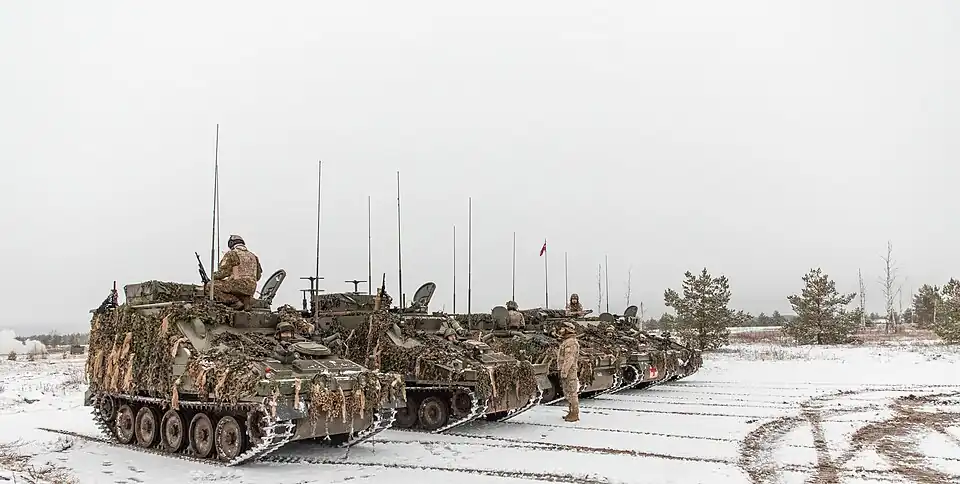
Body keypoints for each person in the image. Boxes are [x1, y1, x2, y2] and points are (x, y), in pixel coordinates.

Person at [207, 234, 263, 310]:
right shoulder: (253, 256)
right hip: (251, 288)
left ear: (231, 244)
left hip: (238, 285)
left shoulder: (232, 253)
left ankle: (235, 302)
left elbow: (223, 272)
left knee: (211, 285)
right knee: (231, 286)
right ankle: (245, 300)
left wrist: (213, 276)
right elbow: (258, 276)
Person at [556, 321, 580, 422]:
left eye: (563, 328)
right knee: (568, 392)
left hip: (569, 371)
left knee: (572, 392)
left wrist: (564, 372)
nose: (560, 331)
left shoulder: (570, 342)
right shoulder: (567, 341)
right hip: (567, 370)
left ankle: (574, 414)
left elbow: (569, 359)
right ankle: (571, 412)